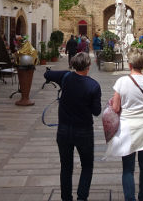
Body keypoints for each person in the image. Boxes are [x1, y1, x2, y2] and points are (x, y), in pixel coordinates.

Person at [106, 48, 143, 201]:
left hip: (127, 128)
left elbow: (116, 108)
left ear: (130, 64)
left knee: (128, 168)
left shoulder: (121, 82)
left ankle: (130, 199)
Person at [44, 53, 102, 201]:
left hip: (63, 130)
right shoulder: (94, 85)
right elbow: (96, 111)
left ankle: (66, 198)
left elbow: (47, 74)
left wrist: (49, 72)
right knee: (87, 166)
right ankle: (82, 198)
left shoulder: (65, 77)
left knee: (66, 167)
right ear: (88, 67)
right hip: (84, 131)